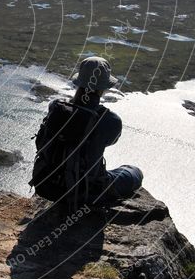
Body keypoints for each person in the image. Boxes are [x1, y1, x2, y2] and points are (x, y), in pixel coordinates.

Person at [30, 56, 143, 207]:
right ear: (103, 88)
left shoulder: (55, 107)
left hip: (47, 185)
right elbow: (111, 140)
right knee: (134, 172)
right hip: (86, 192)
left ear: (79, 83)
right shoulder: (110, 120)